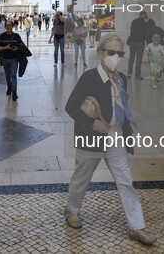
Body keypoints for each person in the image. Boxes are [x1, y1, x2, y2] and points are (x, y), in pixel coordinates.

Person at [64, 35, 157, 246]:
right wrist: (92, 123)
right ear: (101, 53)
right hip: (92, 137)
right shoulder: (89, 77)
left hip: (115, 136)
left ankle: (137, 227)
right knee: (82, 177)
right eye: (112, 52)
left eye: (120, 53)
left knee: (125, 181)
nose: (117, 57)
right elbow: (71, 106)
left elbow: (122, 105)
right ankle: (72, 210)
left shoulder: (121, 77)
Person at [0, 20, 25, 101]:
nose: (8, 27)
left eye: (10, 25)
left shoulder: (16, 36)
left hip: (14, 59)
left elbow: (21, 46)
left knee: (13, 75)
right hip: (5, 59)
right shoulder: (2, 36)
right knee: (7, 75)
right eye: (7, 25)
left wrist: (17, 48)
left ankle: (14, 92)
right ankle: (9, 87)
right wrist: (6, 48)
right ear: (5, 27)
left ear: (12, 26)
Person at [127, 11, 148, 79]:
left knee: (131, 58)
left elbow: (131, 31)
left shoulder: (134, 21)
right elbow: (146, 33)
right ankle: (137, 75)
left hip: (132, 42)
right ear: (143, 15)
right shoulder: (145, 23)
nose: (145, 18)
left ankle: (129, 73)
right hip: (140, 43)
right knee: (139, 59)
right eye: (145, 16)